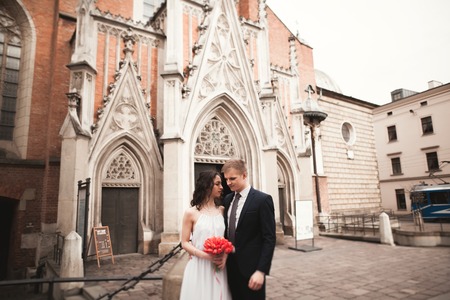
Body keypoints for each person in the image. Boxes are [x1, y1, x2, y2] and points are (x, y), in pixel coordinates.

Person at [222, 159, 276, 299]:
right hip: (229, 267)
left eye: (232, 178)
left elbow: (269, 239)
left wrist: (261, 271)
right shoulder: (227, 200)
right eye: (226, 179)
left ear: (244, 175)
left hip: (252, 270)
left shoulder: (262, 200)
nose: (228, 183)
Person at [179, 170, 232, 300]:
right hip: (198, 266)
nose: (222, 187)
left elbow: (227, 238)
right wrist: (205, 255)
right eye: (218, 184)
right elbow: (184, 242)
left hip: (218, 265)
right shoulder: (191, 213)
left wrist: (224, 255)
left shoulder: (222, 210)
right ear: (207, 186)